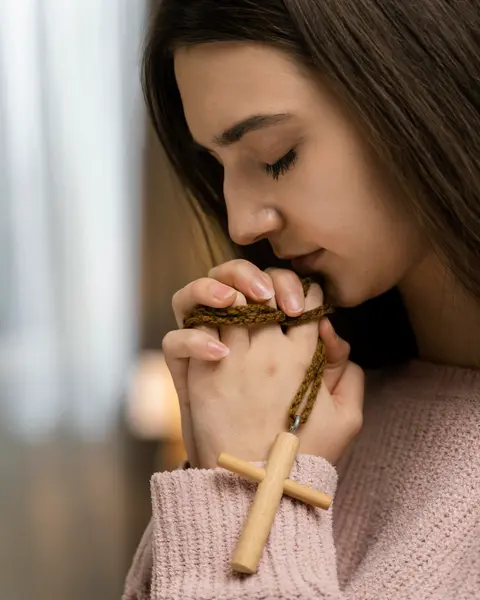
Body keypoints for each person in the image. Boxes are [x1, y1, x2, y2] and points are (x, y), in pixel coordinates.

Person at [124, 1, 480, 598]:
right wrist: (226, 452)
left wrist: (245, 488)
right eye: (217, 168)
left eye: (274, 157)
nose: (240, 224)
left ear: (418, 95)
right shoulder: (321, 411)